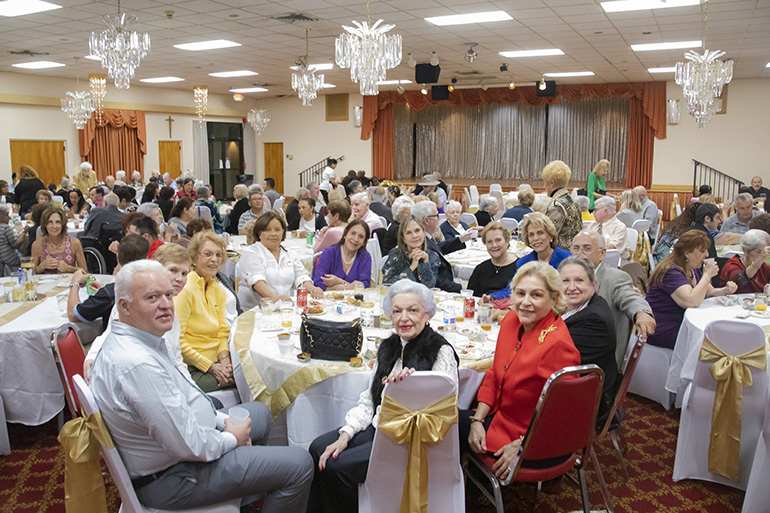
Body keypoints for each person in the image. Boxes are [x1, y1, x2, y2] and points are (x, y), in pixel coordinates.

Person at [90, 260, 313, 512]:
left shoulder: (140, 339)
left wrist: (220, 422)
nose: (166, 304)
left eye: (168, 295)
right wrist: (230, 437)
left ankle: (245, 496)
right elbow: (189, 445)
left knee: (260, 413)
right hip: (175, 477)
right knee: (300, 464)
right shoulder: (138, 364)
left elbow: (183, 401)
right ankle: (251, 483)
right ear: (125, 306)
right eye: (152, 297)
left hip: (182, 453)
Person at [309, 280, 458, 513]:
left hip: (409, 440)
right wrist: (346, 434)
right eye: (397, 311)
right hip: (379, 426)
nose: (403, 318)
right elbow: (369, 401)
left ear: (427, 314)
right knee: (318, 447)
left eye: (413, 310)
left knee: (337, 468)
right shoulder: (388, 347)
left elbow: (443, 413)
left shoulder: (440, 351)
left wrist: (412, 386)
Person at [460, 261, 581, 479]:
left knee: (443, 426)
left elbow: (566, 412)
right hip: (503, 420)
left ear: (553, 299)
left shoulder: (557, 344)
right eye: (520, 293)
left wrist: (522, 445)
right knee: (445, 419)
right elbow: (494, 374)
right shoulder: (511, 321)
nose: (525, 302)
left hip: (537, 440)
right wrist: (477, 420)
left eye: (536, 295)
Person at [570, 231, 656, 366]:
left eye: (587, 248)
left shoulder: (615, 278)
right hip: (570, 349)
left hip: (597, 362)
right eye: (576, 248)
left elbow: (629, 297)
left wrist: (642, 312)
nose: (580, 253)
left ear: (602, 253)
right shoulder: (567, 276)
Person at [645, 231, 737, 349]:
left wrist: (725, 290)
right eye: (702, 251)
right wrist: (707, 276)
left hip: (684, 323)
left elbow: (710, 292)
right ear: (687, 253)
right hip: (663, 327)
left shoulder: (693, 268)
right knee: (714, 342)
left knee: (719, 336)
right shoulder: (670, 271)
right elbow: (691, 301)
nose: (707, 254)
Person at [559, 255, 619, 425]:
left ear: (594, 284)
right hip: (574, 384)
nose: (572, 287)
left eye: (579, 280)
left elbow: (554, 359)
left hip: (584, 400)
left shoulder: (594, 321)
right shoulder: (584, 305)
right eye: (565, 281)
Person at [174, 232, 232, 393]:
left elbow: (222, 332)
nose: (214, 259)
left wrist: (225, 361)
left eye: (218, 255)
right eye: (207, 254)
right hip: (191, 367)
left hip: (216, 362)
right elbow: (177, 342)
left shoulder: (218, 290)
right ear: (193, 258)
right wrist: (212, 367)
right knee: (245, 381)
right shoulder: (185, 289)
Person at [236, 211, 323, 310]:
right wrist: (273, 297)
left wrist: (313, 289)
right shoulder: (251, 252)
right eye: (268, 230)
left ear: (283, 232)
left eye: (277, 230)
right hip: (255, 310)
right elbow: (256, 280)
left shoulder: (290, 253)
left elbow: (301, 276)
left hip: (284, 308)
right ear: (259, 234)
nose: (273, 234)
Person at [67, 234, 150, 330]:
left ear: (118, 257)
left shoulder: (111, 293)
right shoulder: (153, 285)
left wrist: (75, 283)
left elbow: (73, 315)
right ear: (147, 259)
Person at [412, 200, 462, 292]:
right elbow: (435, 279)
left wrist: (461, 239)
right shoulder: (420, 243)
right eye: (436, 216)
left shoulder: (427, 237)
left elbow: (438, 248)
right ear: (426, 220)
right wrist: (458, 287)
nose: (439, 219)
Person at [312, 220, 371, 291]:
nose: (355, 239)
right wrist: (349, 286)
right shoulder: (329, 253)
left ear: (364, 242)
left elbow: (364, 286)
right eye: (353, 233)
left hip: (355, 301)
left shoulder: (365, 257)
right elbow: (318, 284)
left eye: (361, 237)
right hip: (327, 300)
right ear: (345, 234)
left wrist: (339, 282)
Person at [382, 216, 440, 288]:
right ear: (403, 238)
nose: (414, 236)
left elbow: (429, 287)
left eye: (417, 230)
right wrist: (411, 268)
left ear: (424, 233)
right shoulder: (395, 255)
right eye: (409, 233)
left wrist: (425, 262)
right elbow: (387, 284)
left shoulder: (432, 256)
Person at [31, 206, 86, 274]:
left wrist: (69, 268)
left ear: (62, 224)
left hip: (69, 283)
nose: (54, 226)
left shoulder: (75, 243)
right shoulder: (37, 245)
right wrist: (41, 267)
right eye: (50, 222)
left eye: (58, 222)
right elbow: (31, 273)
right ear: (45, 225)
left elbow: (84, 271)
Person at [468, 222, 517, 297]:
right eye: (489, 242)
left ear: (507, 242)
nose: (494, 245)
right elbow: (471, 297)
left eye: (498, 240)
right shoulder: (480, 269)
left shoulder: (520, 267)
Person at [542, 160, 582, 250]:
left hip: (560, 256)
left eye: (545, 182)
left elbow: (548, 236)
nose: (544, 186)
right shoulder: (573, 201)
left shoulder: (556, 206)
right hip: (575, 252)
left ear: (551, 184)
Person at [719, 229, 770, 293]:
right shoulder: (732, 265)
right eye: (757, 252)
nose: (761, 256)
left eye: (764, 252)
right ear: (744, 250)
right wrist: (758, 262)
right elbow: (740, 281)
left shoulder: (764, 267)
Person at [588, 196, 630, 263]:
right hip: (592, 261)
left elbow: (610, 248)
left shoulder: (619, 227)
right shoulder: (593, 225)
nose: (593, 213)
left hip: (614, 263)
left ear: (605, 211)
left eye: (595, 210)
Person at [0, 204, 22, 271]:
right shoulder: (5, 228)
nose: (9, 218)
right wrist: (23, 235)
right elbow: (15, 245)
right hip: (7, 260)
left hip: (2, 259)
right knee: (25, 257)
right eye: (7, 215)